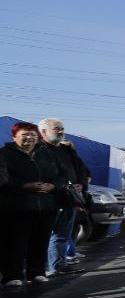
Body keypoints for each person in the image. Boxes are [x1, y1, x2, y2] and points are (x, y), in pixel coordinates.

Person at [1, 122, 71, 287]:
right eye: (24, 134)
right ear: (14, 137)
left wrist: (53, 185)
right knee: (15, 242)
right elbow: (3, 178)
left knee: (40, 240)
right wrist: (24, 186)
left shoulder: (47, 154)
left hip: (46, 205)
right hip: (17, 206)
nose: (29, 138)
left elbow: (63, 174)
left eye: (33, 134)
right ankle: (12, 276)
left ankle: (36, 272)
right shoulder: (5, 154)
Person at [39, 118, 89, 276]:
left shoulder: (67, 150)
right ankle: (43, 269)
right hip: (47, 199)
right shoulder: (37, 149)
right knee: (45, 235)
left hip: (68, 199)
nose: (60, 131)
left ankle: (59, 265)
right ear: (43, 131)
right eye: (56, 129)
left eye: (62, 128)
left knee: (62, 235)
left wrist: (81, 184)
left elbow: (82, 170)